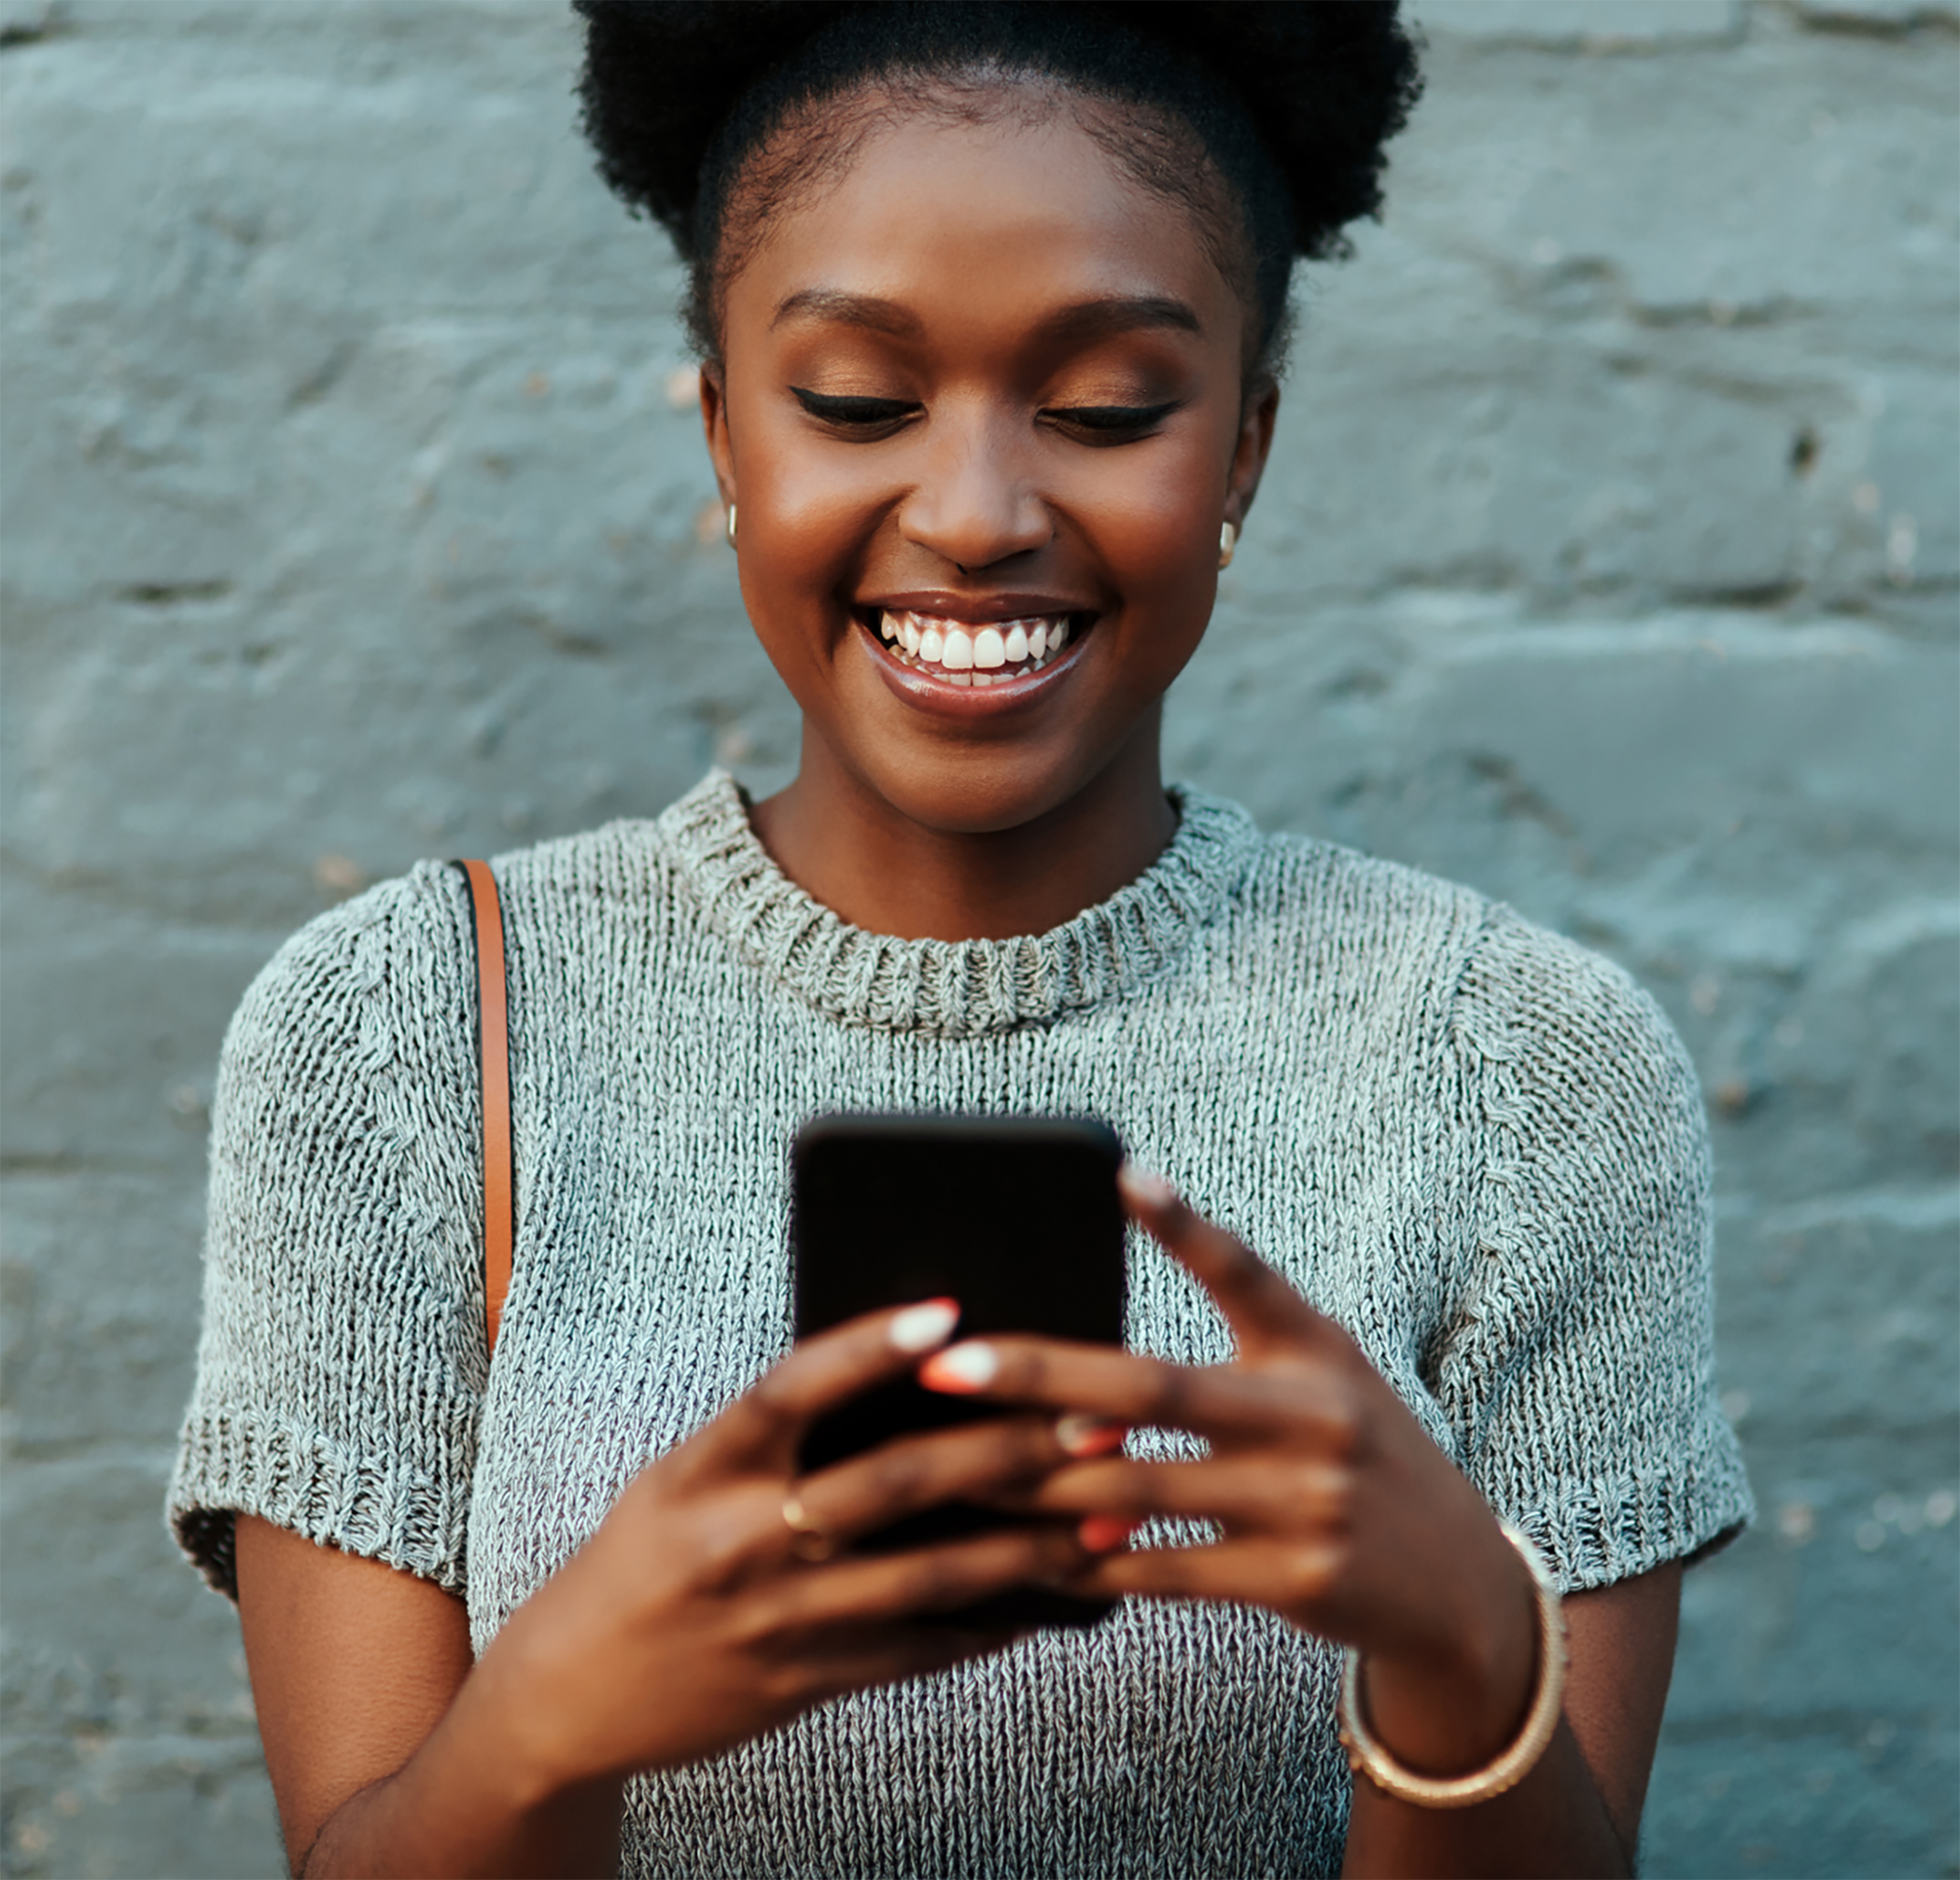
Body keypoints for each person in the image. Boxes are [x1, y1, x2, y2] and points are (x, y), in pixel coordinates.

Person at [167, 2, 1753, 1874]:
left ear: (1241, 448)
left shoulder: (1534, 1061)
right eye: (852, 401)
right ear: (725, 429)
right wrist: (554, 1717)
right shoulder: (400, 1030)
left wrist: (1459, 1641)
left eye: (1103, 410)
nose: (978, 512)